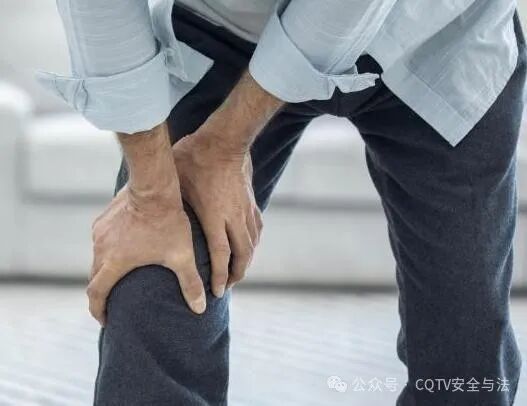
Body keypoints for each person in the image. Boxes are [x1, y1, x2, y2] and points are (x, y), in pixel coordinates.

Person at [36, 0, 525, 404]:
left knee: (464, 353)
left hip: (438, 35)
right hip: (230, 27)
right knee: (155, 279)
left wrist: (222, 146)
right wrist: (151, 197)